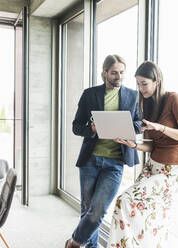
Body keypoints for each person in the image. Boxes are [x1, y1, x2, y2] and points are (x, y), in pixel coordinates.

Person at [107, 61, 178, 248]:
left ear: (157, 81)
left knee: (126, 201)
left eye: (144, 83)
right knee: (146, 219)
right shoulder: (148, 104)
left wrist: (161, 127)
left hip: (170, 172)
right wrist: (133, 144)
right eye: (138, 84)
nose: (140, 88)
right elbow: (153, 146)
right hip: (151, 166)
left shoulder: (174, 99)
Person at [65, 55, 141, 248]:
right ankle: (91, 246)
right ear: (105, 72)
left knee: (98, 210)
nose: (119, 76)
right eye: (114, 72)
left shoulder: (133, 96)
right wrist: (90, 129)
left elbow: (140, 123)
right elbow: (76, 126)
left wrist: (128, 127)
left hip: (115, 162)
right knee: (87, 210)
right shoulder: (90, 94)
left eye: (122, 72)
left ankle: (74, 242)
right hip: (90, 160)